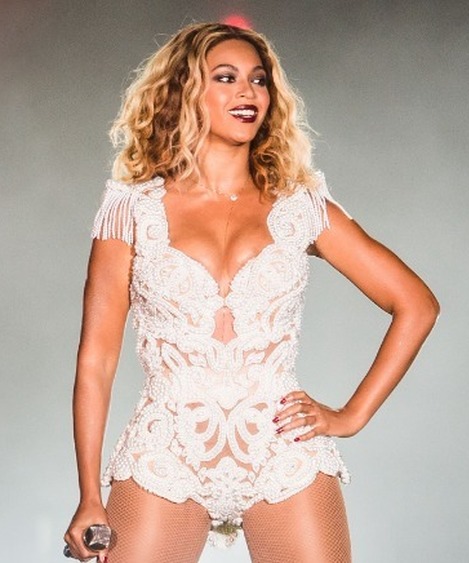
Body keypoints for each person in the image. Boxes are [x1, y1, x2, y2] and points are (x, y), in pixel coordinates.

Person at [63, 22, 439, 563]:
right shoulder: (131, 210)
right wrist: (89, 496)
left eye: (259, 80)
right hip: (167, 450)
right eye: (226, 77)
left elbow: (417, 304)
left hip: (281, 452)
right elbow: (96, 361)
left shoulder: (300, 207)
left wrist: (350, 416)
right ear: (186, 92)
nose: (248, 93)